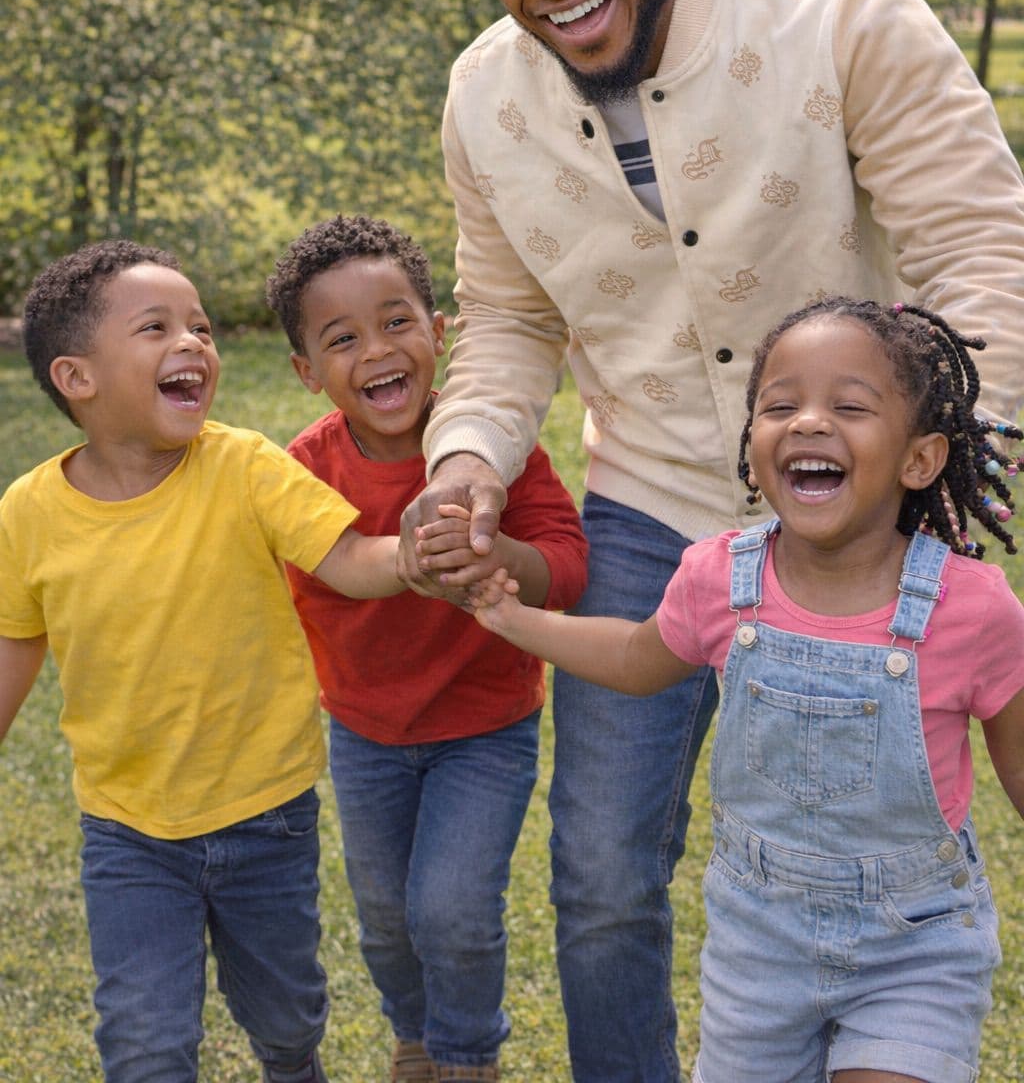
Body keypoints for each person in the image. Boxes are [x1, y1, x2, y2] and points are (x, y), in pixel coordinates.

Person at [402, 0, 1024, 1081]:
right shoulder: (480, 100)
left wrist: (948, 471)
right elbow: (510, 325)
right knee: (603, 871)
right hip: (653, 508)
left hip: (869, 517)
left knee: (868, 844)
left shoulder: (839, 5)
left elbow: (980, 248)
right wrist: (461, 466)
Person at [452, 298, 1024, 1083]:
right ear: (753, 449)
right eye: (779, 406)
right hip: (758, 949)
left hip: (914, 944)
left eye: (849, 406)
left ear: (920, 459)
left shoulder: (974, 609)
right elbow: (633, 656)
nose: (808, 423)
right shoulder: (720, 576)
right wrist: (515, 620)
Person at [0, 239, 427, 1083]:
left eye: (200, 326)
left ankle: (292, 1064)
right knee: (144, 1041)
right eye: (156, 328)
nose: (193, 342)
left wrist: (415, 550)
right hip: (128, 830)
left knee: (285, 1011)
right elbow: (15, 643)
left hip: (264, 810)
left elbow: (349, 558)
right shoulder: (30, 512)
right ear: (76, 378)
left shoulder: (243, 466)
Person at [264, 214, 587, 1083]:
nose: (378, 350)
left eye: (398, 322)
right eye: (343, 338)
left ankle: (465, 1054)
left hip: (485, 726)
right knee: (384, 917)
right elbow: (289, 580)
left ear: (439, 334)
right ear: (307, 372)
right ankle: (413, 1035)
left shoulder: (490, 452)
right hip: (365, 731)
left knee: (451, 907)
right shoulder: (302, 472)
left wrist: (499, 556)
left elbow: (566, 564)